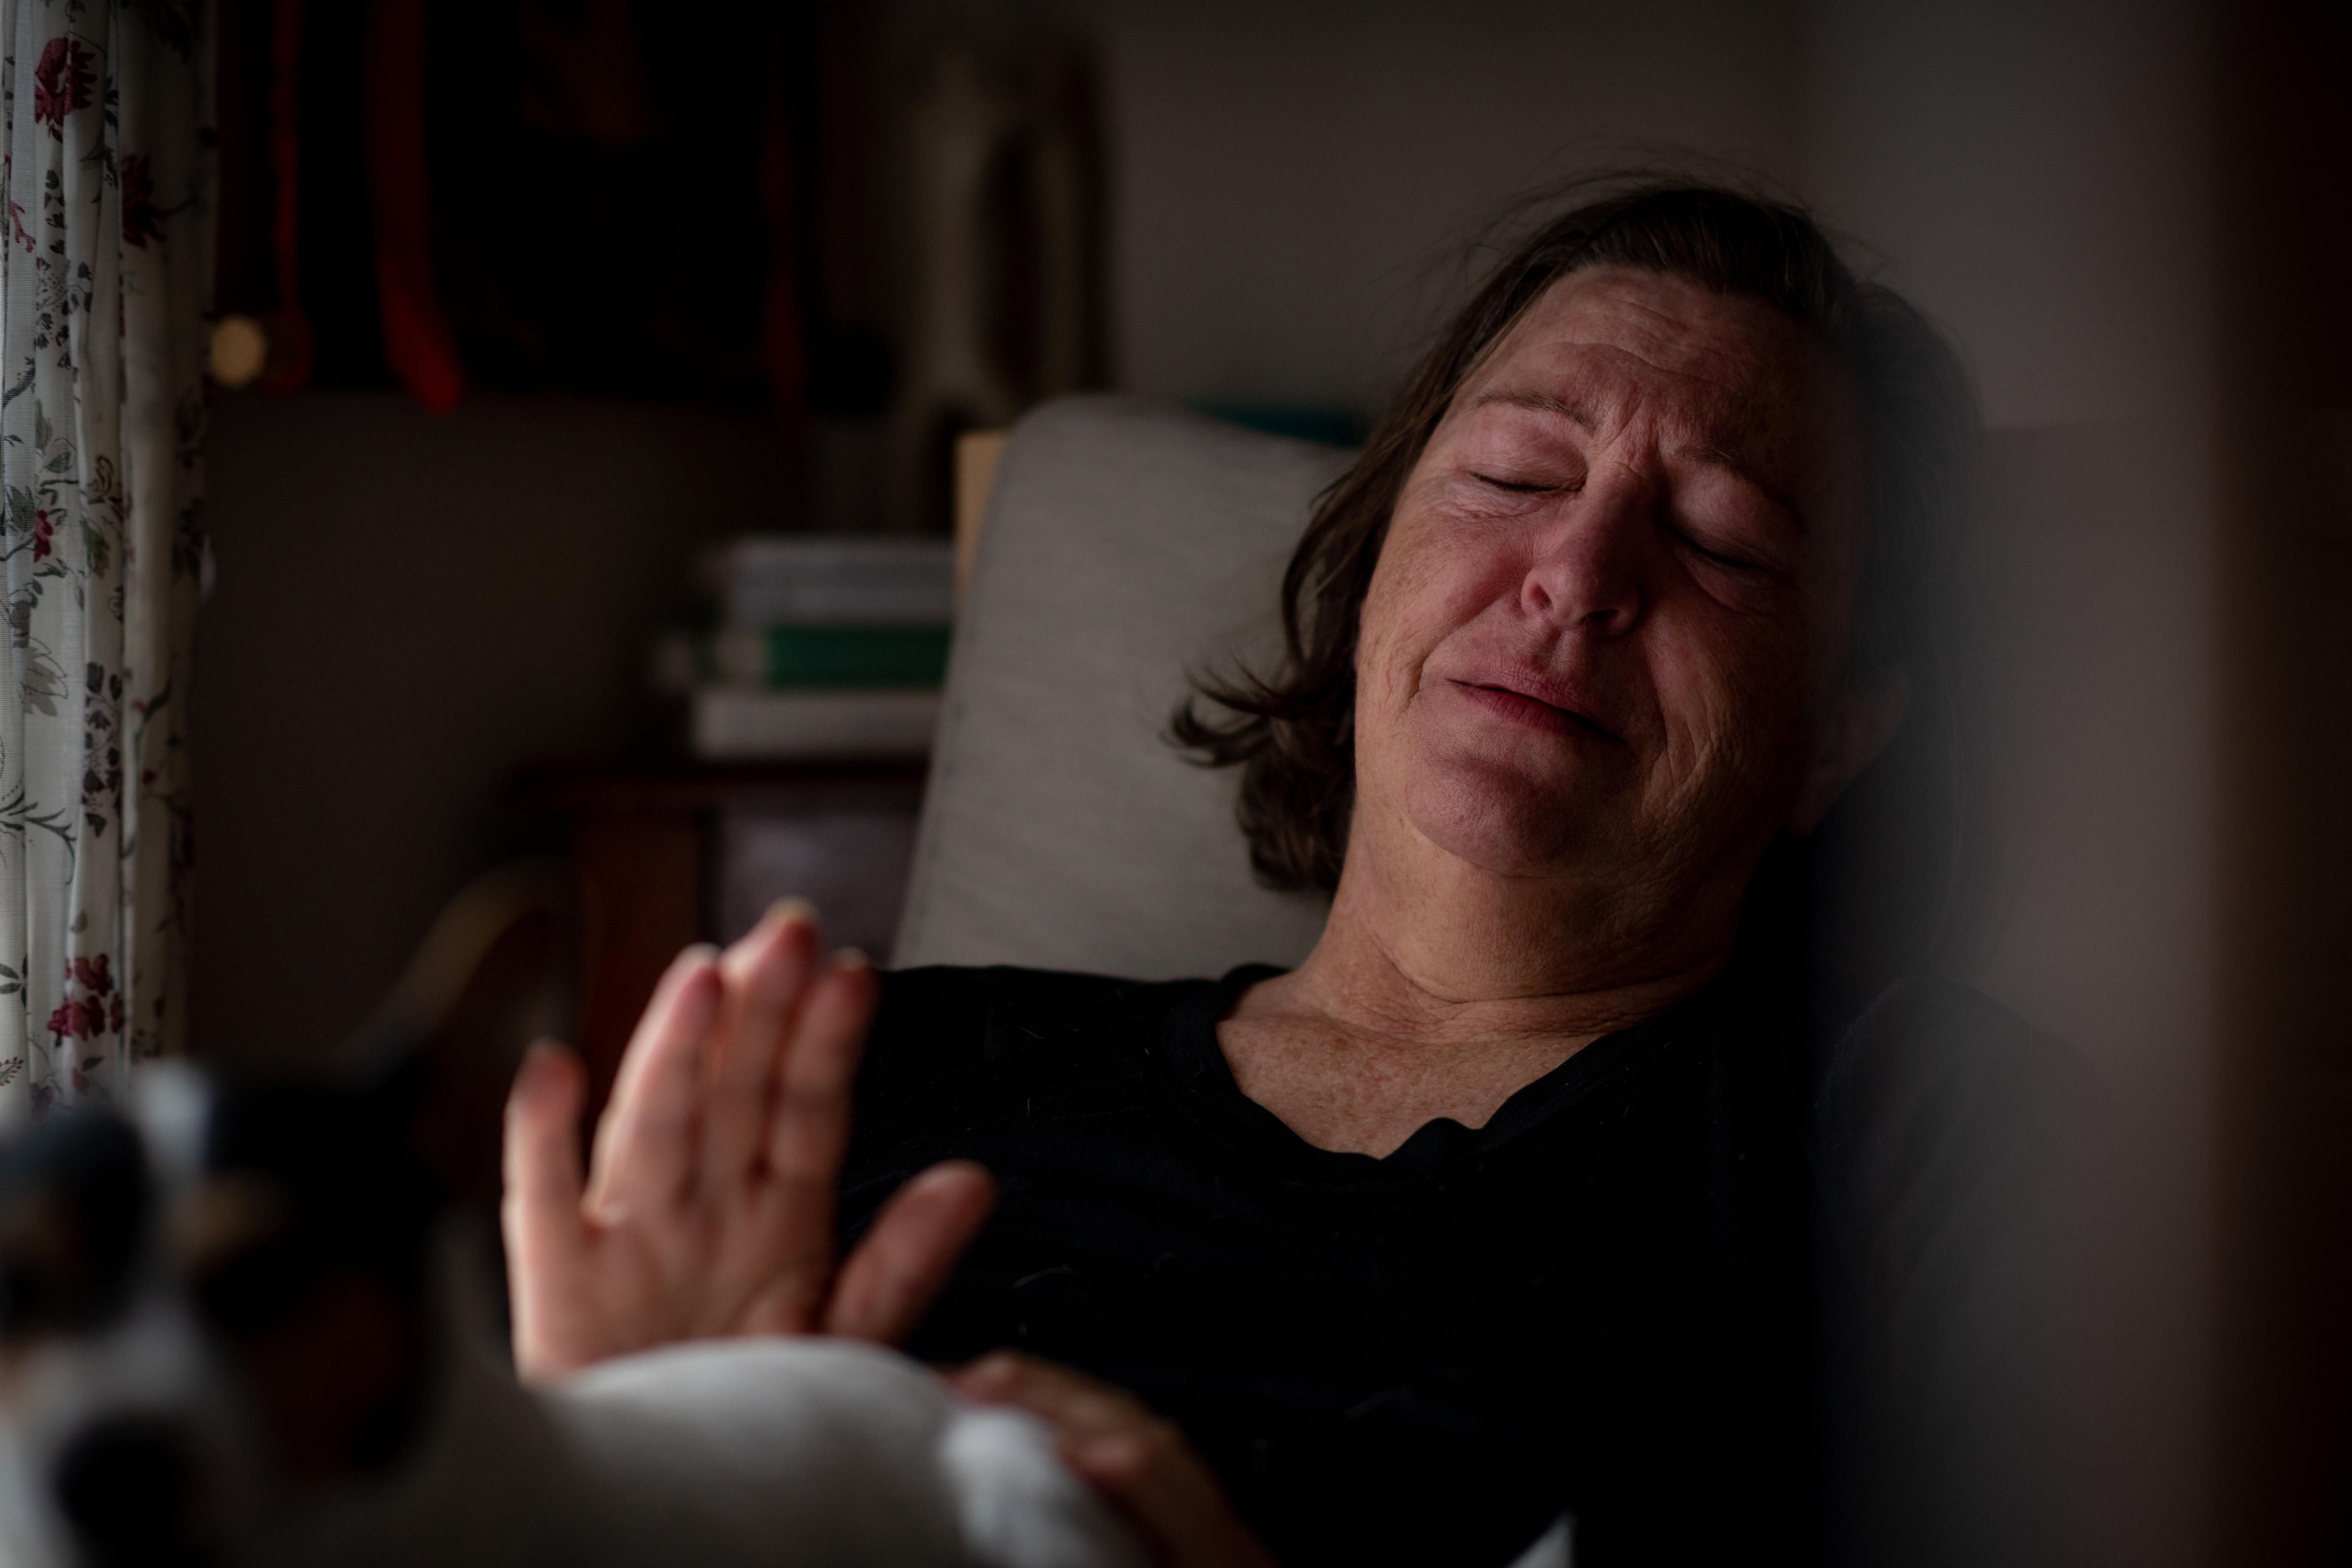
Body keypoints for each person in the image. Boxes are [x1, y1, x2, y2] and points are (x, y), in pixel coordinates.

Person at [502, 183, 2079, 1568]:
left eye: (1725, 542)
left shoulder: (1936, 1148)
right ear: (1378, 554)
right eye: (1521, 474)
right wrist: (584, 1469)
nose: (1582, 574)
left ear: (1835, 741)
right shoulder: (882, 1072)